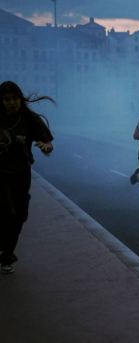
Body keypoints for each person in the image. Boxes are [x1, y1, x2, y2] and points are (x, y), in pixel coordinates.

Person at [0, 81, 54, 274]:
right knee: (8, 213)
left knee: (20, 216)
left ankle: (6, 255)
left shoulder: (29, 118)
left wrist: (45, 147)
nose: (12, 103)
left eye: (15, 98)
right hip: (1, 175)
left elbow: (48, 144)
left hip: (22, 174)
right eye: (7, 100)